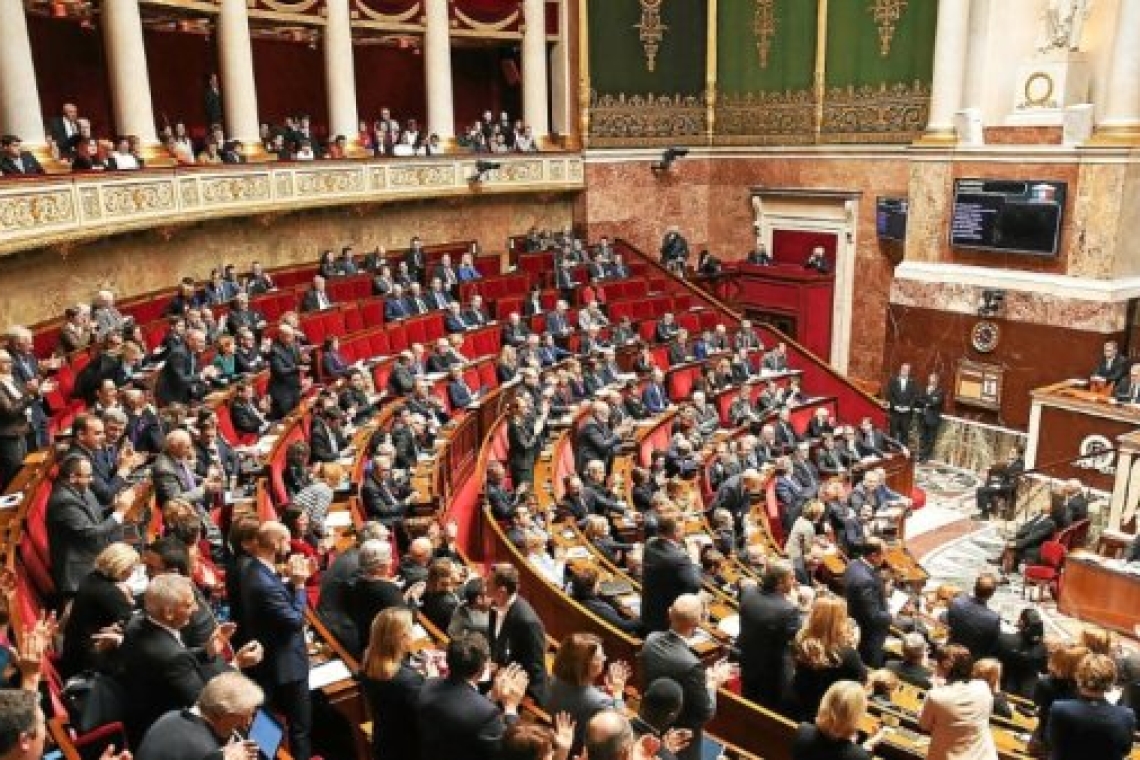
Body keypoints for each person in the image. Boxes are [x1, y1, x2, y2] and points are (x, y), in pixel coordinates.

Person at [118, 573, 263, 745]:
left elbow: (170, 659)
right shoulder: (173, 657)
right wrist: (236, 664)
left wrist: (207, 651)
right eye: (188, 605)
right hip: (166, 734)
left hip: (138, 713)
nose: (195, 609)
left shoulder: (138, 622)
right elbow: (207, 704)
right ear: (169, 613)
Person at [238, 521, 314, 760]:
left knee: (270, 725)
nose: (288, 546)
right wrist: (300, 585)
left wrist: (291, 583)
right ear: (275, 543)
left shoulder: (255, 569)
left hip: (274, 659)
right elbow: (294, 620)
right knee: (298, 728)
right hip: (285, 665)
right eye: (286, 540)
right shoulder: (261, 581)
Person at [639, 595, 733, 760]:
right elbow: (706, 712)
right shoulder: (691, 665)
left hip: (648, 721)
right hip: (681, 737)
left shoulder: (650, 640)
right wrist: (713, 682)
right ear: (698, 623)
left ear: (669, 613)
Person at [415, 632, 529, 760]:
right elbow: (508, 752)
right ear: (483, 668)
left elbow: (464, 708)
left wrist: (491, 697)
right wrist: (511, 707)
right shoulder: (487, 714)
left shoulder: (428, 685)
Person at [46, 454, 133, 598]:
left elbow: (95, 514)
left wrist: (115, 507)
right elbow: (90, 534)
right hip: (78, 572)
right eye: (88, 476)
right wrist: (119, 513)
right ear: (73, 477)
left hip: (93, 552)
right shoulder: (63, 502)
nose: (92, 479)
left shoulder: (79, 488)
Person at [134, 671, 265, 760]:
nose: (247, 723)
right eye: (245, 717)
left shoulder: (171, 715)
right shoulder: (205, 752)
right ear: (226, 715)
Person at [59, 542, 138, 678]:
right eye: (132, 568)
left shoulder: (91, 577)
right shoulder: (109, 592)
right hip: (90, 661)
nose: (133, 572)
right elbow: (132, 622)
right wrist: (130, 602)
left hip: (73, 651)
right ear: (123, 568)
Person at [359, 608, 426, 760]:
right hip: (408, 748)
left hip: (383, 739)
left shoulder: (368, 662)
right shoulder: (408, 681)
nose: (414, 634)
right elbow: (423, 717)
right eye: (411, 630)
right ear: (401, 638)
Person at [789, 596, 867, 720]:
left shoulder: (800, 640)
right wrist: (853, 647)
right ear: (840, 622)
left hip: (794, 707)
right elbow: (861, 682)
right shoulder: (848, 656)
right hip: (824, 717)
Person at [547, 632, 630, 749]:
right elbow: (623, 728)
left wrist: (605, 690)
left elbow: (579, 694)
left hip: (552, 736)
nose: (605, 659)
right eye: (601, 657)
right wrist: (618, 693)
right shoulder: (601, 702)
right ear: (587, 666)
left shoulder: (554, 679)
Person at [738, 561, 801, 709]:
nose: (795, 581)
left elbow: (744, 585)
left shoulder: (748, 593)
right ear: (779, 582)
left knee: (749, 702)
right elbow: (796, 639)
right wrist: (795, 604)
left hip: (747, 661)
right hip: (773, 673)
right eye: (791, 578)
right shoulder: (788, 609)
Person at [1049, 653, 1136, 760]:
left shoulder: (1059, 709)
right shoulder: (1126, 716)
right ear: (1111, 681)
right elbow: (1125, 750)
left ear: (1078, 677)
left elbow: (1051, 743)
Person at [918, 645, 997, 760]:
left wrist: (936, 691)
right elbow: (986, 715)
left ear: (943, 667)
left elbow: (924, 725)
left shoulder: (936, 695)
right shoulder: (983, 687)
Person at [488, 563, 549, 704]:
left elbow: (535, 667)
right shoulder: (494, 605)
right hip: (502, 680)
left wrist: (531, 699)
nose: (484, 585)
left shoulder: (528, 622)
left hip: (523, 693)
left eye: (488, 583)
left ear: (502, 591)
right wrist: (496, 664)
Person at [641, 512, 702, 634]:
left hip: (649, 610)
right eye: (683, 529)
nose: (684, 532)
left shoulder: (649, 543)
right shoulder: (679, 558)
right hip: (667, 620)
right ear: (676, 532)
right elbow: (695, 586)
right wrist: (694, 560)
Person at [791, 680, 881, 760]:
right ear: (856, 717)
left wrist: (858, 748)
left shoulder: (803, 731)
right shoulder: (858, 756)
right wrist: (867, 747)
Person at [843, 538, 891, 667]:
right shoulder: (865, 580)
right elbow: (873, 616)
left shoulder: (853, 564)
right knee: (871, 665)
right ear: (873, 555)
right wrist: (891, 615)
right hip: (869, 634)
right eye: (884, 554)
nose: (885, 558)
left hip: (856, 618)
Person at [947, 573, 1001, 659]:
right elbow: (991, 645)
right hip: (972, 659)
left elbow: (950, 626)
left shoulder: (956, 602)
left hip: (950, 651)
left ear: (974, 588)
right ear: (991, 594)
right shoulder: (994, 618)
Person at [996, 607, 1047, 697]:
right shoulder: (1042, 648)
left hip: (1006, 686)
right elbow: (1044, 670)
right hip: (1029, 692)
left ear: (1021, 623)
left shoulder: (1004, 639)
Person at [975, 446, 1024, 520]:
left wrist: (998, 486)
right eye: (1010, 451)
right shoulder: (1013, 461)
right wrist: (991, 468)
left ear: (1018, 455)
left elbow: (1013, 485)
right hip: (1003, 484)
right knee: (989, 481)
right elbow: (1004, 468)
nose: (1010, 453)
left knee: (981, 490)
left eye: (1013, 452)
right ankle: (989, 507)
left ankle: (984, 515)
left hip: (1007, 490)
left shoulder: (1018, 466)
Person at [885, 363, 918, 444]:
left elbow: (914, 397)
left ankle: (903, 452)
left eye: (907, 370)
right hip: (895, 412)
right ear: (900, 369)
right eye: (903, 369)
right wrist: (895, 406)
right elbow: (889, 394)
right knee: (893, 432)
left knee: (905, 433)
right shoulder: (893, 380)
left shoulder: (912, 382)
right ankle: (892, 449)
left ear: (909, 371)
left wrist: (909, 407)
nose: (905, 371)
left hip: (906, 413)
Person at [916, 372, 945, 462]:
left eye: (932, 379)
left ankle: (926, 457)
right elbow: (919, 400)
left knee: (930, 440)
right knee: (922, 438)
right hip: (923, 418)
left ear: (936, 381)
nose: (930, 381)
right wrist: (928, 400)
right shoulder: (925, 389)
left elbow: (935, 403)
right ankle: (920, 456)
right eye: (930, 379)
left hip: (932, 419)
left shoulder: (940, 392)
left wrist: (926, 398)